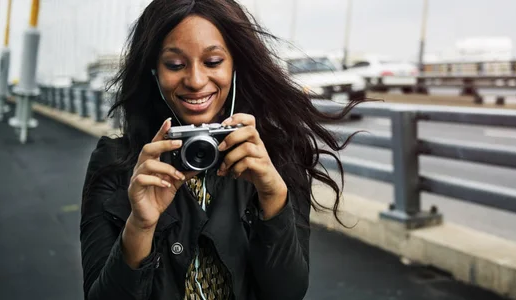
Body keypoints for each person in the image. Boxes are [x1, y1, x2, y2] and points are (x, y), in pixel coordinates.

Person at [80, 0, 360, 299]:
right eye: (175, 65)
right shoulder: (117, 162)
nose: (196, 81)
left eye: (213, 62)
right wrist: (140, 225)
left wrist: (274, 197)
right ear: (153, 71)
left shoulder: (272, 154)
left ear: (236, 65)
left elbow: (287, 292)